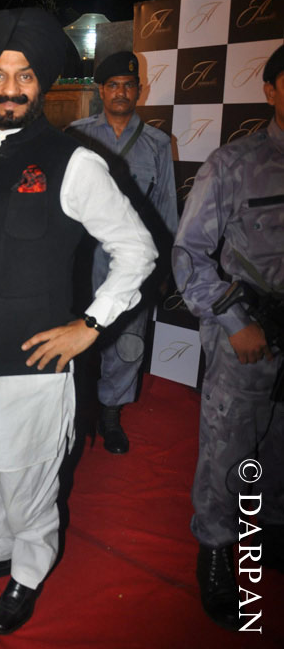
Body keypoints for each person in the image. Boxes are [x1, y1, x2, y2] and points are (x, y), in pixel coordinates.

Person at [0, 8, 157, 634]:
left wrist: (89, 326)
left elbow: (138, 251)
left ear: (42, 84)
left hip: (35, 362)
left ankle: (28, 572)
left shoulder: (75, 161)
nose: (9, 88)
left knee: (27, 481)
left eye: (24, 76)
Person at [172, 43, 284, 630]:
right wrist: (235, 322)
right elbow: (188, 254)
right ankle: (217, 550)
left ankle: (271, 533)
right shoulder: (234, 164)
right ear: (270, 91)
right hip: (248, 334)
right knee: (229, 447)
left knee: (280, 444)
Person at [68, 51, 177, 453]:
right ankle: (76, 412)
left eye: (128, 85)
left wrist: (163, 269)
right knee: (77, 334)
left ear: (139, 91)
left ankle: (111, 415)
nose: (120, 92)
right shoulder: (75, 134)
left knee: (128, 341)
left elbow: (167, 208)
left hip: (133, 261)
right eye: (112, 85)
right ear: (100, 90)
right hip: (83, 259)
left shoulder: (157, 144)